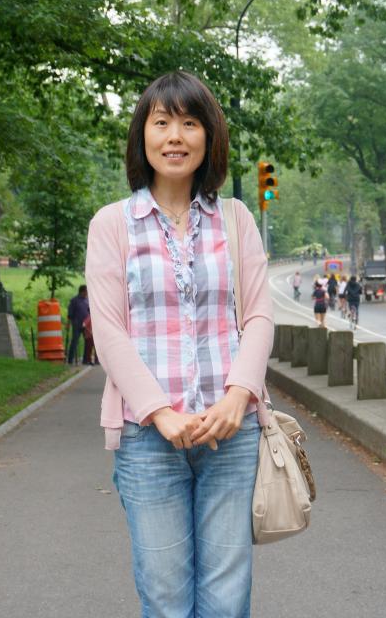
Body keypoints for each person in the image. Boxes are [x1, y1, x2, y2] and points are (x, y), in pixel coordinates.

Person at [85, 71, 273, 618]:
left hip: (230, 435)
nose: (175, 136)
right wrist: (160, 413)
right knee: (165, 597)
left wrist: (239, 396)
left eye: (190, 123)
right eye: (162, 122)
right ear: (142, 135)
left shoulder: (235, 219)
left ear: (208, 137)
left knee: (226, 598)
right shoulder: (112, 224)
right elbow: (109, 331)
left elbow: (259, 315)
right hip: (148, 438)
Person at [66, 284, 89, 364]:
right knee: (75, 341)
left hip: (86, 324)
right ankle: (70, 360)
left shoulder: (87, 300)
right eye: (86, 291)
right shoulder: (74, 300)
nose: (87, 293)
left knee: (88, 341)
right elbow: (70, 313)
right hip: (77, 324)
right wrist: (68, 323)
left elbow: (89, 312)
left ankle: (86, 360)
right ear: (82, 291)